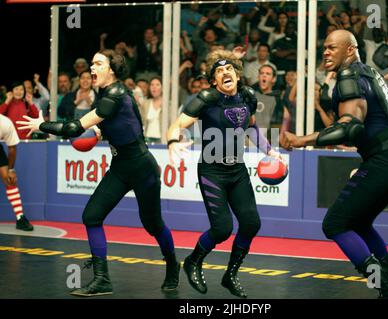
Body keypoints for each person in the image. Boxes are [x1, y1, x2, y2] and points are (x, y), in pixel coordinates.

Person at [17, 49, 180, 297]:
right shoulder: (104, 94)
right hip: (120, 167)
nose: (91, 68)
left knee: (153, 224)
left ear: (111, 69)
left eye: (97, 63)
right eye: (91, 63)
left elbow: (72, 128)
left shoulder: (114, 94)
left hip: (140, 166)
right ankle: (102, 279)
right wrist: (100, 133)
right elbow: (126, 122)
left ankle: (172, 265)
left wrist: (41, 125)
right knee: (92, 216)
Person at [279, 30, 388, 299]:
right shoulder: (374, 74)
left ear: (350, 50)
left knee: (335, 224)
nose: (326, 53)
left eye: (332, 48)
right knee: (361, 224)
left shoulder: (348, 76)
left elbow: (348, 129)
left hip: (384, 158)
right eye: (325, 49)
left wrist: (299, 140)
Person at [167, 49, 282, 298]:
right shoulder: (206, 98)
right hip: (212, 171)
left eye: (228, 68)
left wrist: (270, 152)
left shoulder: (248, 96)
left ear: (238, 75)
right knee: (222, 229)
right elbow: (177, 124)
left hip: (237, 171)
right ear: (213, 81)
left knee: (251, 223)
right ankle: (193, 261)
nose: (224, 72)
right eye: (218, 71)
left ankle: (230, 275)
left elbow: (251, 127)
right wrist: (173, 142)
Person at [0, 114, 34, 231]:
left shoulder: (5, 123)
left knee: (9, 179)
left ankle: (20, 218)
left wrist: (11, 170)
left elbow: (12, 148)